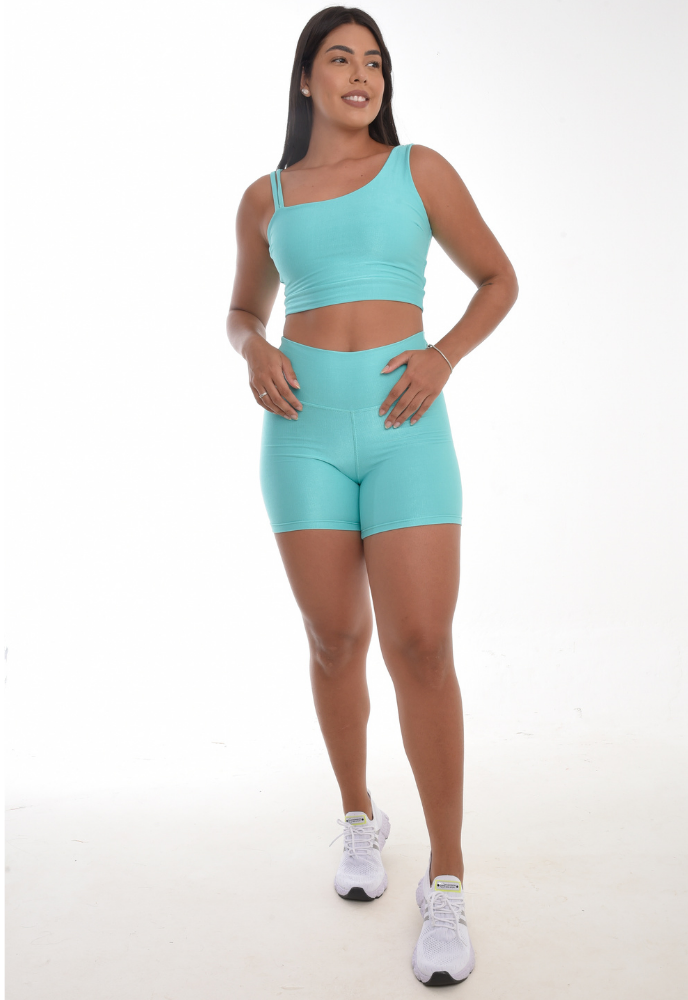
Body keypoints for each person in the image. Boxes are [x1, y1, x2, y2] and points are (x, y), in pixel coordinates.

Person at [226, 6, 518, 987]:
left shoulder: (418, 171)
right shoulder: (265, 198)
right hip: (302, 433)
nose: (362, 74)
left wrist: (443, 355)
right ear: (305, 79)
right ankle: (359, 816)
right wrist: (251, 346)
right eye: (341, 58)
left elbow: (498, 278)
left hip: (405, 427)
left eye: (376, 62)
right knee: (333, 639)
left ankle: (446, 875)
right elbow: (241, 308)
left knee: (422, 645)